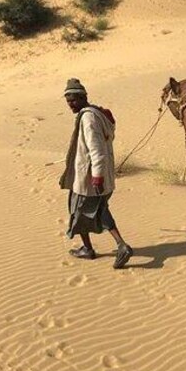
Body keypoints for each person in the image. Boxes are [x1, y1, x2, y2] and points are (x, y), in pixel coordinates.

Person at [59, 78, 134, 269]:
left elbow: (96, 149)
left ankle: (103, 247)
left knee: (79, 212)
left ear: (83, 97)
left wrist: (97, 175)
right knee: (100, 210)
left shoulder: (88, 118)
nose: (70, 105)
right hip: (100, 177)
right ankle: (111, 246)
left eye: (74, 100)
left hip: (89, 179)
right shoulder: (97, 114)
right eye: (68, 101)